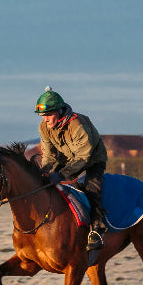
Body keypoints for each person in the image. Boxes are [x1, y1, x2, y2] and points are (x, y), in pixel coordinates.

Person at [35, 86, 109, 253]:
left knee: (92, 187)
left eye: (48, 115)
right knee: (47, 182)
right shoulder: (43, 127)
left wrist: (61, 174)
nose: (45, 119)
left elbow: (84, 156)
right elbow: (49, 155)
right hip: (68, 158)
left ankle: (97, 229)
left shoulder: (77, 124)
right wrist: (46, 172)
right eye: (42, 116)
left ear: (60, 111)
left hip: (92, 159)